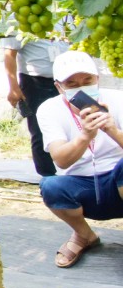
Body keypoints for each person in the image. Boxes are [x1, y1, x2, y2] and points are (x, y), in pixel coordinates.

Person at [35, 50, 123, 267]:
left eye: (87, 80)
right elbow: (61, 160)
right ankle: (84, 235)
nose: (81, 87)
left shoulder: (118, 99)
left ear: (97, 79)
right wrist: (85, 136)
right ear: (59, 87)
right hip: (82, 185)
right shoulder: (49, 109)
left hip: (118, 179)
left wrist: (112, 129)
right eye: (72, 83)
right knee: (51, 185)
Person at [3, 31, 70, 177]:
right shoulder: (19, 19)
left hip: (67, 81)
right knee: (39, 130)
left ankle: (76, 173)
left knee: (74, 124)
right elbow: (10, 54)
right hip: (35, 82)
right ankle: (47, 176)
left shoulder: (64, 16)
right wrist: (13, 87)